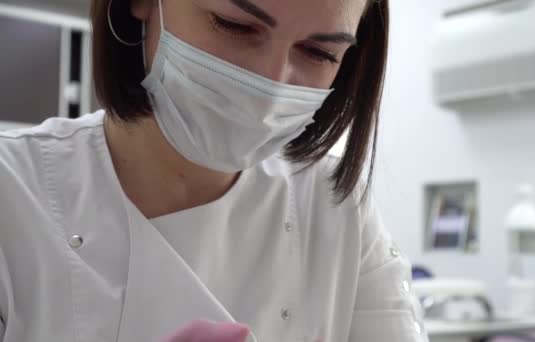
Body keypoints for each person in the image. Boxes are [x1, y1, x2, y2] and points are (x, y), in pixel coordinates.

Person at [0, 0, 427, 341]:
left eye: (319, 52)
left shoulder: (336, 205)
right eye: (233, 24)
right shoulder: (14, 191)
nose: (270, 86)